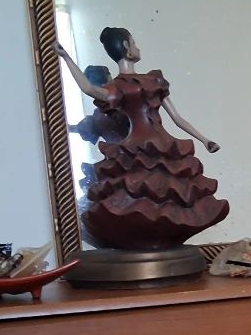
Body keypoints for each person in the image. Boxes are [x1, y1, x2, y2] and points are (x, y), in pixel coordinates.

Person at [54, 27, 228, 248]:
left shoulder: (153, 81)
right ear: (126, 46)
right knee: (143, 199)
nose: (138, 48)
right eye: (134, 43)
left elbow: (177, 118)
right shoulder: (117, 87)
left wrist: (204, 140)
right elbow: (88, 88)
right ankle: (149, 241)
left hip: (162, 147)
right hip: (136, 151)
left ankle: (163, 240)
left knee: (171, 195)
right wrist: (66, 57)